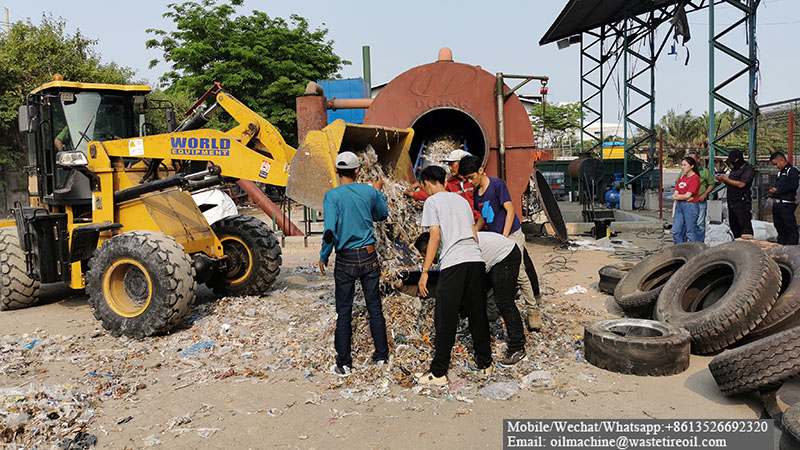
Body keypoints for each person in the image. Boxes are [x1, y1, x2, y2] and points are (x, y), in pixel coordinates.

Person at [415, 165, 493, 386]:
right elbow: (473, 232)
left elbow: (435, 237)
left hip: (454, 263)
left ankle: (439, 373)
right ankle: (485, 364)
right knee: (478, 314)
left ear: (427, 183)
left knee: (445, 318)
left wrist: (425, 271)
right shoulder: (461, 201)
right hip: (475, 260)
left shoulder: (432, 202)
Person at [319, 151, 390, 377]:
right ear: (358, 170)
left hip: (346, 258)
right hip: (368, 256)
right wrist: (378, 193)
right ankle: (381, 356)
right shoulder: (369, 191)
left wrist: (324, 255)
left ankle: (344, 363)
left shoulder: (332, 196)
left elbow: (329, 230)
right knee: (374, 307)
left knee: (344, 311)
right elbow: (382, 215)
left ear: (337, 171)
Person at [414, 230, 527, 367]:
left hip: (505, 255)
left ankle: (518, 347)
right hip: (491, 258)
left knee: (504, 301)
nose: (427, 260)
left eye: (425, 255)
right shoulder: (450, 247)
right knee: (476, 294)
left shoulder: (451, 251)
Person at [458, 155, 542, 331]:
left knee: (519, 272)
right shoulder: (476, 193)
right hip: (497, 238)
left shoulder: (497, 185)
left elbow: (510, 212)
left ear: (481, 171)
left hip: (511, 234)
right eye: (466, 179)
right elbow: (483, 216)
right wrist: (473, 233)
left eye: (471, 177)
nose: (469, 182)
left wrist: (504, 237)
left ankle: (533, 310)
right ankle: (493, 309)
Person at [404, 149, 481, 223]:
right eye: (449, 165)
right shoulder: (451, 183)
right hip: (467, 225)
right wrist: (412, 194)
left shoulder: (474, 180)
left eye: (452, 164)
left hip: (481, 223)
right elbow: (435, 192)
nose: (450, 168)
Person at [716, 149, 755, 239]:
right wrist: (724, 181)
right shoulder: (735, 169)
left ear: (737, 159)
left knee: (744, 227)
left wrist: (726, 180)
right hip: (732, 200)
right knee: (734, 226)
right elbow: (732, 182)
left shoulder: (748, 168)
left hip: (742, 201)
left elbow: (742, 184)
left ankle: (747, 246)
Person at [769, 152, 799, 245]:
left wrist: (778, 190)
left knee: (790, 227)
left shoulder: (792, 170)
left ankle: (793, 247)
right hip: (777, 203)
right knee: (779, 227)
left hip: (786, 204)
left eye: (776, 164)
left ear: (782, 160)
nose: (775, 166)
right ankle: (781, 245)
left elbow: (793, 185)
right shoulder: (780, 172)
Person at [687, 150, 715, 242]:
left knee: (700, 224)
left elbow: (711, 184)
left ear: (698, 159)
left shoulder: (704, 172)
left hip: (700, 201)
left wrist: (705, 194)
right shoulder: (684, 172)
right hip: (687, 202)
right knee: (688, 223)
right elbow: (678, 184)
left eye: (693, 159)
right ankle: (689, 243)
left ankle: (699, 243)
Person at [672, 157, 701, 244]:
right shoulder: (681, 177)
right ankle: (679, 248)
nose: (682, 167)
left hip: (690, 206)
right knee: (676, 230)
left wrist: (681, 196)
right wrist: (682, 197)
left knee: (690, 232)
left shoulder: (695, 178)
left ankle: (693, 251)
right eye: (682, 165)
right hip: (680, 205)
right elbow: (676, 194)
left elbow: (688, 195)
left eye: (685, 165)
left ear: (691, 166)